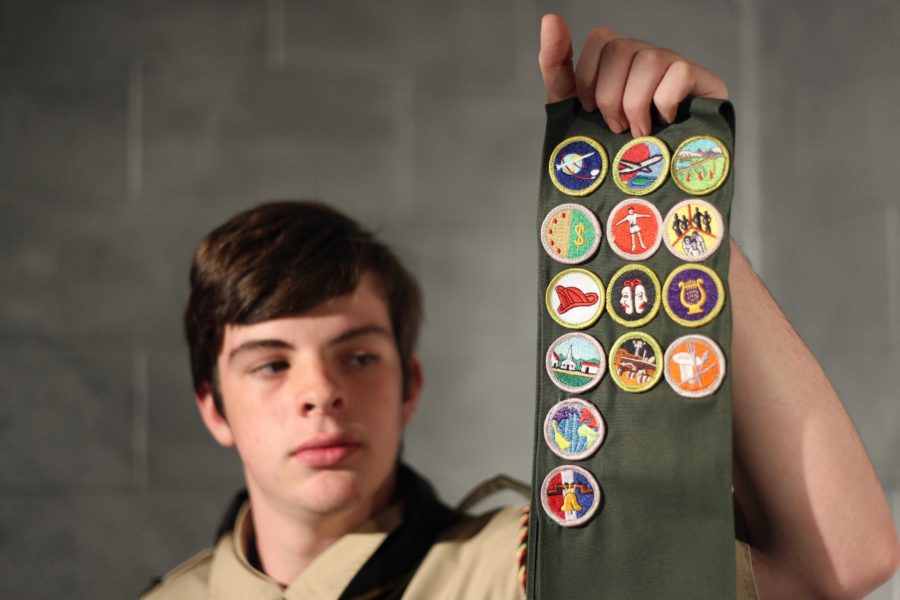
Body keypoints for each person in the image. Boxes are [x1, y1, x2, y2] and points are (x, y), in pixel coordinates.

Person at [141, 14, 899, 599]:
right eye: (270, 365)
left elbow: (838, 561)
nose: (321, 392)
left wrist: (675, 220)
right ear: (212, 405)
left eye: (360, 355)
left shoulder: (533, 566)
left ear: (410, 386)